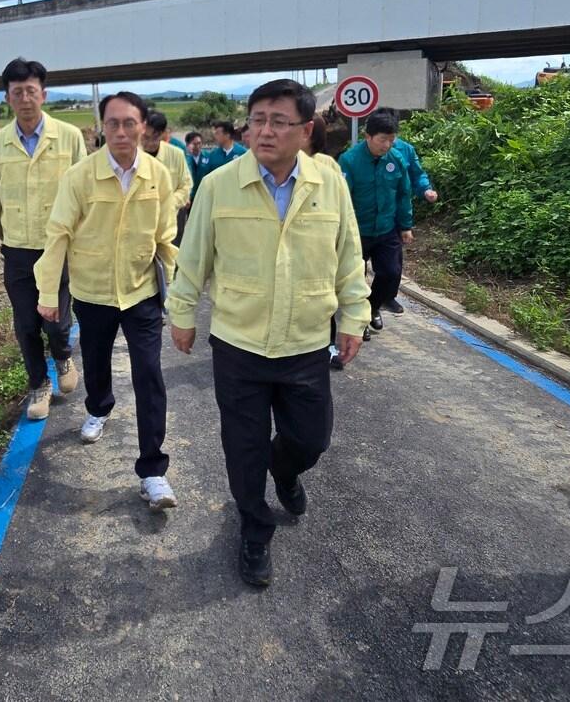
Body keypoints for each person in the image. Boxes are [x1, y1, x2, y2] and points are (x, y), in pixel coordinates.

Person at [169, 79, 370, 587]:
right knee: (244, 447)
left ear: (305, 131)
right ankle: (254, 529)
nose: (264, 130)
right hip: (239, 342)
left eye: (278, 121)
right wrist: (183, 313)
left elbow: (348, 257)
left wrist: (353, 316)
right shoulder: (219, 184)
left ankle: (286, 472)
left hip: (305, 341)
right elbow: (193, 259)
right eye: (257, 119)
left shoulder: (330, 183)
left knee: (311, 439)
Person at [36, 91, 180, 510]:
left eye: (129, 123)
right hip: (93, 293)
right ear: (102, 127)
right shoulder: (80, 177)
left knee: (149, 374)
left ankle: (153, 471)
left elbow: (166, 239)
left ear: (143, 127)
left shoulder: (158, 175)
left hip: (141, 293)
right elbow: (58, 233)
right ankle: (99, 408)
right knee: (96, 362)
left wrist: (177, 293)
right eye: (113, 123)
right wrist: (49, 294)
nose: (121, 131)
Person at [0, 58, 87, 421]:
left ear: (43, 95)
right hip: (17, 249)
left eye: (31, 91)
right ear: (7, 97)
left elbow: (85, 192)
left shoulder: (69, 137)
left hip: (59, 248)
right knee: (25, 324)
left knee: (56, 321)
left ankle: (64, 357)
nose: (25, 98)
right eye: (17, 92)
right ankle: (39, 384)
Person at [338, 110, 413, 335]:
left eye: (392, 140)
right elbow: (341, 198)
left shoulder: (396, 159)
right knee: (355, 278)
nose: (387, 145)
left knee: (391, 273)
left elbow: (403, 193)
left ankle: (372, 308)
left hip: (386, 229)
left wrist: (406, 225)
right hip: (357, 230)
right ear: (368, 136)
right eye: (383, 140)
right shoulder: (349, 160)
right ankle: (359, 322)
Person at [373, 109, 438, 316]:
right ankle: (361, 305)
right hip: (367, 218)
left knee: (393, 264)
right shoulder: (362, 152)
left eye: (392, 136)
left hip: (394, 217)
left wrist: (425, 189)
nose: (388, 143)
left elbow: (416, 175)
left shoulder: (405, 151)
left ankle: (386, 297)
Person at [305, 117, 347, 366]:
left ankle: (328, 344)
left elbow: (340, 208)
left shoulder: (327, 165)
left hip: (321, 246)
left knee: (324, 298)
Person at [143, 111, 192, 244]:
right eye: (146, 137)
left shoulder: (176, 154)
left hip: (172, 217)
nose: (150, 143)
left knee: (172, 255)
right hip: (142, 219)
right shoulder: (133, 156)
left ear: (164, 133)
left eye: (155, 137)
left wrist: (170, 203)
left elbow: (186, 185)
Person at [184, 131, 209, 200]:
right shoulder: (184, 158)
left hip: (204, 195)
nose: (197, 146)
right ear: (188, 144)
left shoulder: (208, 157)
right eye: (194, 144)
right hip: (188, 197)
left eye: (199, 143)